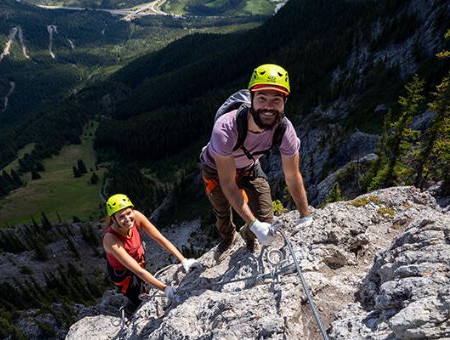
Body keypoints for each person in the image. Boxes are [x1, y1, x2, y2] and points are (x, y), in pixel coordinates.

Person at [199, 64, 313, 256]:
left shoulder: (284, 130)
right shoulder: (226, 127)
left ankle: (248, 235)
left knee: (266, 220)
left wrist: (305, 216)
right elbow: (227, 183)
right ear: (251, 99)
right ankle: (228, 238)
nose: (268, 107)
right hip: (215, 169)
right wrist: (253, 223)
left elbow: (293, 176)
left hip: (250, 167)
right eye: (262, 99)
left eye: (276, 100)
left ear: (284, 102)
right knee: (222, 211)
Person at [102, 193, 201, 315]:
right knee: (137, 298)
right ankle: (128, 312)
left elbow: (160, 239)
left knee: (143, 287)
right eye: (121, 216)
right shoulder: (110, 239)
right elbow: (138, 271)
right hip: (122, 273)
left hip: (138, 258)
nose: (127, 219)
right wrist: (166, 289)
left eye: (129, 213)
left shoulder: (137, 217)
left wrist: (183, 260)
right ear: (114, 219)